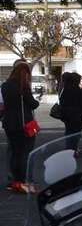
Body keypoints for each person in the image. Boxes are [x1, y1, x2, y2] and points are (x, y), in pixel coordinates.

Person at [1, 62, 39, 193]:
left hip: (9, 124)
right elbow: (33, 104)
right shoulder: (23, 87)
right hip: (23, 124)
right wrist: (37, 101)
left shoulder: (5, 86)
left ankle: (15, 180)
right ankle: (24, 180)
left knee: (14, 153)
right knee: (25, 153)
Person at [60, 72, 82, 152]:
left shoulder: (65, 89)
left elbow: (62, 101)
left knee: (68, 132)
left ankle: (69, 149)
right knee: (76, 133)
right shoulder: (78, 90)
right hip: (76, 116)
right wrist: (81, 112)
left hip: (67, 115)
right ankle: (74, 150)